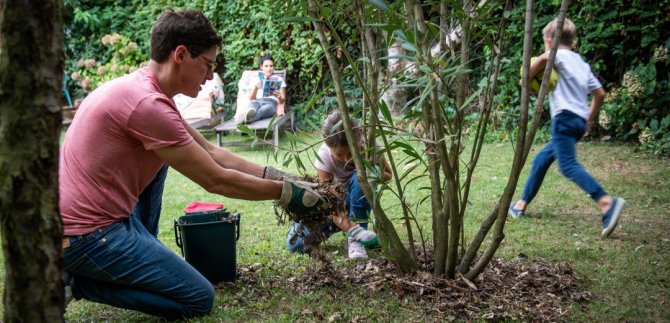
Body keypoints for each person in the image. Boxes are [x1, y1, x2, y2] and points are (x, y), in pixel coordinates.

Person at [59, 9, 323, 319]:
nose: (211, 76)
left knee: (163, 160)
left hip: (94, 221)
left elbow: (212, 152)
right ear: (181, 54)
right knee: (198, 298)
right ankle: (72, 283)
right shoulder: (148, 106)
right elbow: (216, 180)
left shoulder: (145, 92)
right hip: (84, 235)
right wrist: (287, 194)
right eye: (208, 65)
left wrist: (279, 176)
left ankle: (131, 256)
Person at [508, 18, 625, 237]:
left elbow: (529, 72)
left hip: (563, 119)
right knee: (542, 159)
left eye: (545, 43)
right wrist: (588, 119)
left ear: (549, 41)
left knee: (567, 165)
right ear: (572, 42)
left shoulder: (554, 56)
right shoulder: (580, 62)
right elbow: (599, 93)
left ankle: (606, 201)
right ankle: (521, 203)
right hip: (579, 121)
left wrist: (528, 81)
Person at [286, 111, 391, 259]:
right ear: (329, 148)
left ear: (359, 138)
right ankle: (362, 235)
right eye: (340, 155)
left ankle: (357, 242)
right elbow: (328, 203)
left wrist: (370, 173)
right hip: (335, 208)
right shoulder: (324, 156)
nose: (347, 158)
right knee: (296, 244)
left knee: (362, 176)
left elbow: (388, 174)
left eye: (351, 152)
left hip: (359, 202)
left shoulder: (370, 145)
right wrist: (352, 228)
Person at [243, 53, 286, 123]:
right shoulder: (255, 79)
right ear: (261, 67)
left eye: (271, 66)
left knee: (264, 109)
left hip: (271, 103)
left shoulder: (278, 79)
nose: (269, 69)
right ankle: (248, 116)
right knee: (252, 106)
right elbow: (251, 98)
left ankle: (246, 119)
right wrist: (255, 88)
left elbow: (282, 100)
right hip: (257, 101)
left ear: (273, 67)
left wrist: (280, 96)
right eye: (266, 66)